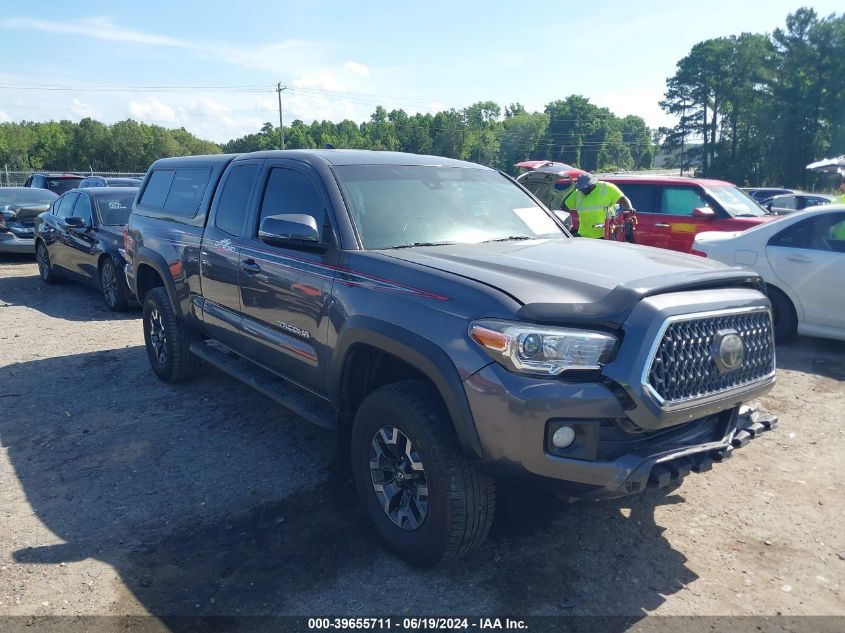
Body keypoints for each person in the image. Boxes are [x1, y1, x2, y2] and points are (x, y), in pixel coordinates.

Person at [562, 173, 633, 239]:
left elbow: (622, 199)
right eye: (581, 189)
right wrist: (562, 218)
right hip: (585, 235)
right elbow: (565, 206)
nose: (583, 191)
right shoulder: (578, 192)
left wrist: (629, 208)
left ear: (592, 184)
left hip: (606, 234)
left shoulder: (607, 188)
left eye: (585, 188)